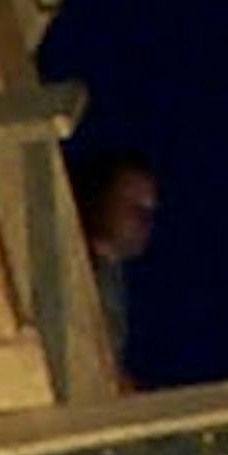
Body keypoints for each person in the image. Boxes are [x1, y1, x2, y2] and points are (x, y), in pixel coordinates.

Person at [75, 147, 159, 375]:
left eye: (149, 212)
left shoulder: (115, 278)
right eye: (134, 207)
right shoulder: (74, 267)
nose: (144, 222)